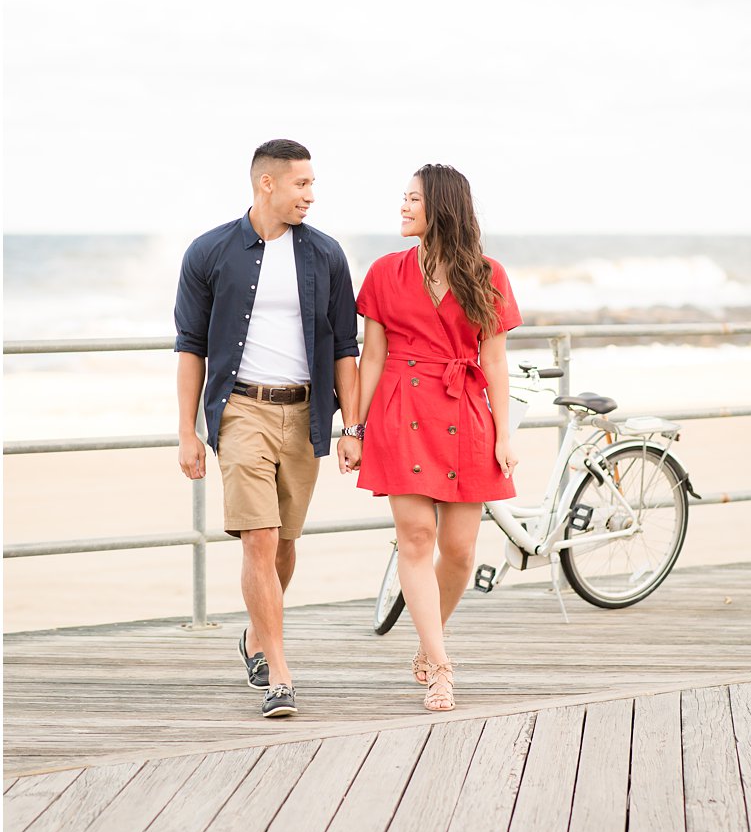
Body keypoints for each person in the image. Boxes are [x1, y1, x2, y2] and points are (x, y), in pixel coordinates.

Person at [174, 138, 362, 719]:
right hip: (241, 411)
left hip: (306, 414)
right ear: (267, 184)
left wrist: (351, 426)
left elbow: (346, 350)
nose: (311, 195)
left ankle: (256, 636)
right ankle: (279, 671)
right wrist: (187, 430)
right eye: (301, 184)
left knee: (283, 543)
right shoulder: (209, 252)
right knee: (257, 537)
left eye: (312, 184)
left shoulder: (326, 255)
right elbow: (192, 347)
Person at [350, 164, 521, 712]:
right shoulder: (384, 272)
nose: (402, 207)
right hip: (401, 410)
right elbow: (370, 355)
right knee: (417, 536)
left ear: (441, 208)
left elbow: (494, 360)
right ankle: (441, 665)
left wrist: (504, 433)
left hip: (465, 410)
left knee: (460, 549)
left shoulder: (488, 274)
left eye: (413, 200)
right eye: (402, 198)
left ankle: (431, 637)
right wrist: (354, 427)